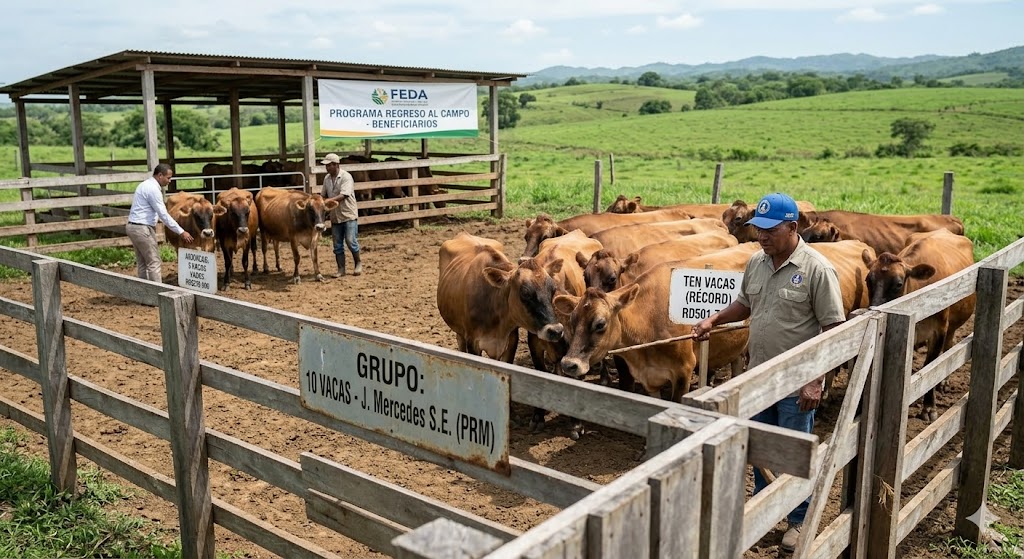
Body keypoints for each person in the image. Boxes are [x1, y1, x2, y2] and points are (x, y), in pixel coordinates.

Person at [691, 192, 845, 553]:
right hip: (758, 376)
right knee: (758, 449)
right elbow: (745, 304)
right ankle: (762, 512)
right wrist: (713, 319)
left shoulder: (817, 270)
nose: (761, 236)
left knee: (790, 452)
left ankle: (798, 519)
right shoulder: (756, 263)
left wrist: (814, 379)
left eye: (770, 230)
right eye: (758, 229)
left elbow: (834, 330)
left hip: (796, 382)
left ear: (792, 228)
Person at [126, 164, 193, 282]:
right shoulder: (153, 189)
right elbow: (164, 215)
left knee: (142, 262)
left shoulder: (144, 185)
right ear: (160, 175)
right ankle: (157, 293)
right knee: (154, 262)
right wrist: (181, 231)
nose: (170, 181)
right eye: (168, 178)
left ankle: (144, 291)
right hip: (142, 228)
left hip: (133, 226)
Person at [320, 153, 361, 277]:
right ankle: (341, 269)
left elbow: (344, 195)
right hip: (335, 215)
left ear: (336, 165)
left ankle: (358, 263)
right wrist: (319, 200)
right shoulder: (327, 179)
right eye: (326, 166)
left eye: (329, 165)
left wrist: (328, 201)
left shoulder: (346, 177)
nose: (327, 168)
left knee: (350, 241)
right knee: (337, 244)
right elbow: (323, 194)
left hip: (348, 214)